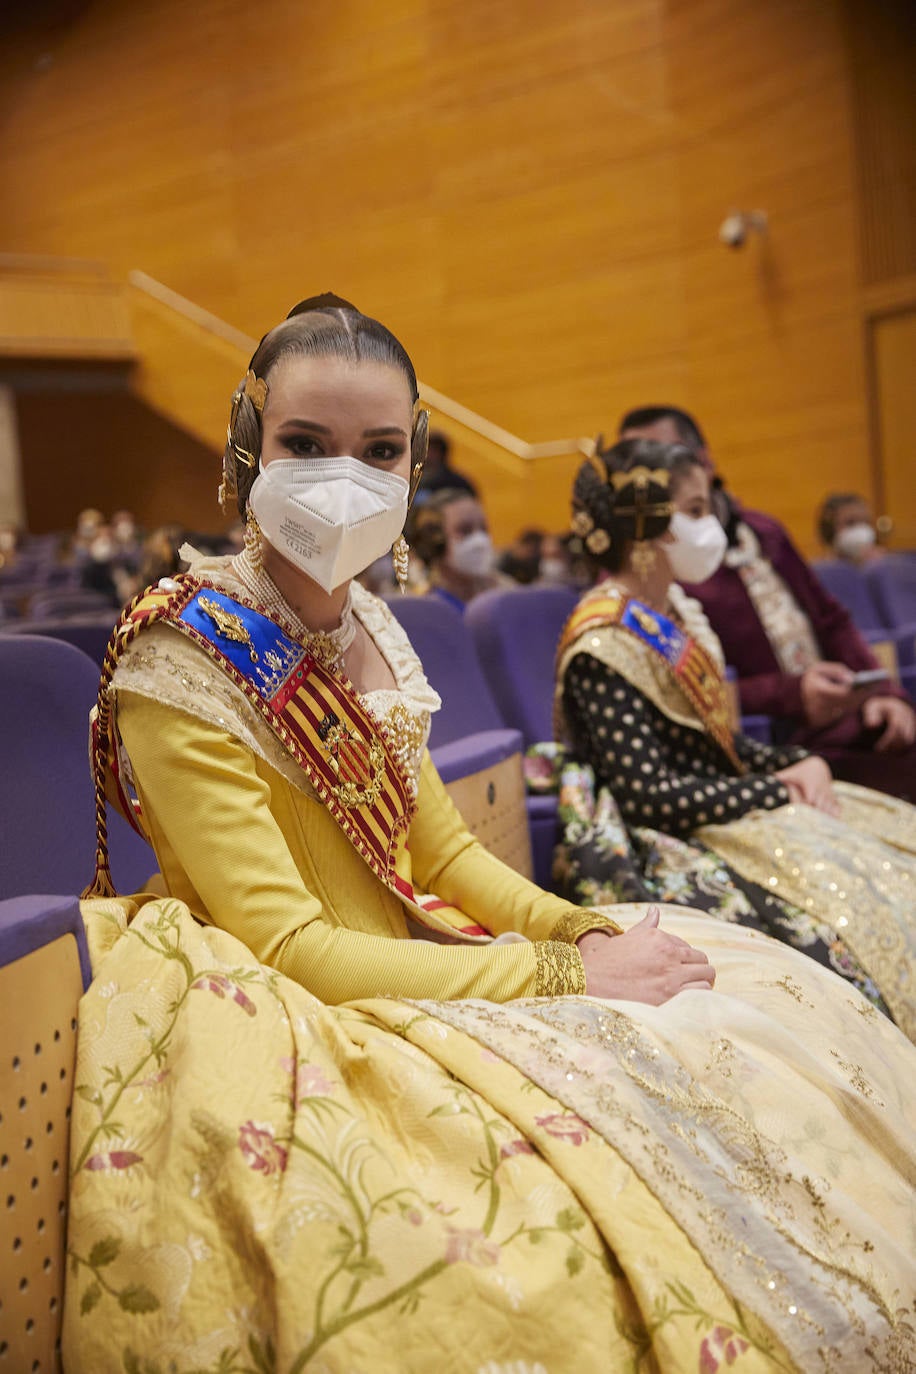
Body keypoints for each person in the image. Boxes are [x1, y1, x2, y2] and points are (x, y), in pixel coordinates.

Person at [65, 299, 915, 1372]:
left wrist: (585, 931)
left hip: (420, 947)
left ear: (413, 464)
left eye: (379, 451)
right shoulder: (184, 657)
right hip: (296, 995)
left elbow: (450, 858)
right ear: (246, 448)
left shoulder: (368, 625)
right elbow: (286, 945)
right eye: (305, 445)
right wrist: (559, 978)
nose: (344, 477)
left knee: (750, 1016)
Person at [555, 436, 915, 1035]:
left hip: (717, 802)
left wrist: (796, 762)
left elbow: (714, 741)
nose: (712, 526)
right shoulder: (604, 640)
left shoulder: (673, 611)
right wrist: (775, 790)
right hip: (665, 836)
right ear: (648, 528)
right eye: (694, 512)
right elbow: (649, 795)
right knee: (853, 907)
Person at [619, 405, 916, 800]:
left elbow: (831, 620)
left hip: (844, 717)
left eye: (667, 457)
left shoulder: (763, 530)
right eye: (637, 467)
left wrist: (884, 693)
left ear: (704, 463)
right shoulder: (653, 575)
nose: (655, 474)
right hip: (772, 738)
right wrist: (793, 694)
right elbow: (682, 690)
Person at [408, 485, 505, 610]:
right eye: (464, 530)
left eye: (483, 529)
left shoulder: (507, 596)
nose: (480, 541)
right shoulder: (422, 609)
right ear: (434, 543)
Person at [817, 491, 884, 564]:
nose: (861, 529)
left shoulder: (881, 564)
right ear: (829, 529)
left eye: (866, 522)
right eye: (850, 523)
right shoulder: (816, 572)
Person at [413, 427, 479, 500]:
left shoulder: (457, 484)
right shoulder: (411, 477)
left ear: (442, 454)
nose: (429, 455)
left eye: (434, 451)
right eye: (426, 449)